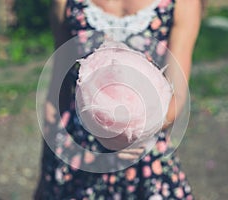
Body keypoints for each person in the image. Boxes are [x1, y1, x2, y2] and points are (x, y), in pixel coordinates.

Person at [34, 0, 202, 199]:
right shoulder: (66, 2)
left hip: (143, 145)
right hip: (79, 146)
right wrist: (50, 158)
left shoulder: (183, 3)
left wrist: (138, 133)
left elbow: (179, 93)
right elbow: (59, 83)